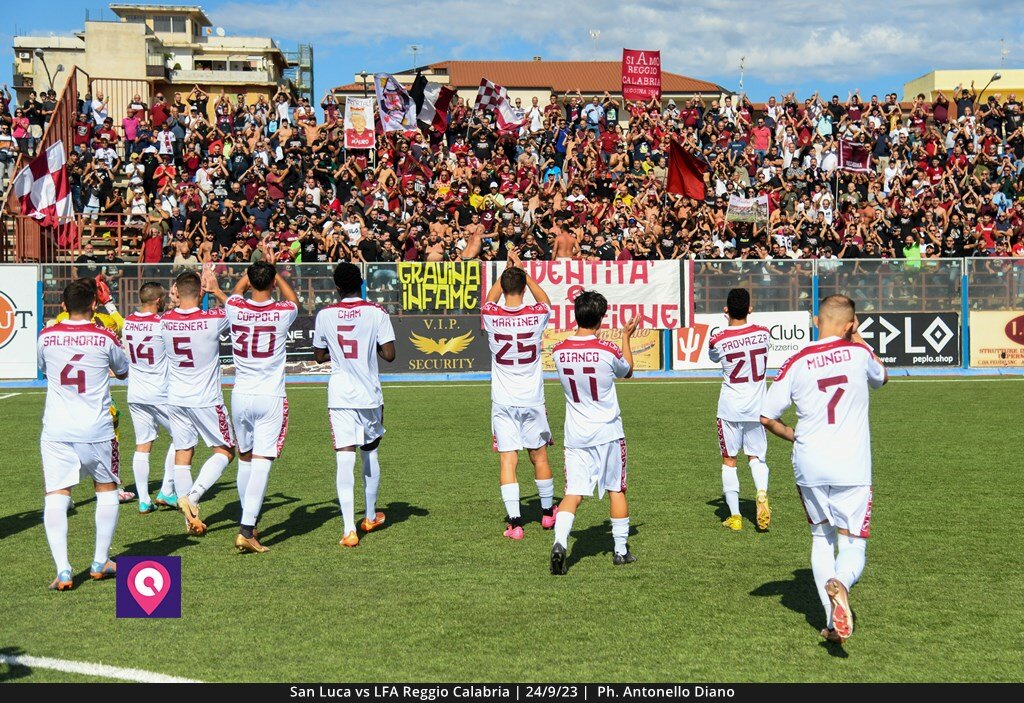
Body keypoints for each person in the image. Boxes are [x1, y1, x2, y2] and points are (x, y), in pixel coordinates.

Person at [760, 294, 888, 644]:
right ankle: (842, 583)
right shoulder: (860, 353)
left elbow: (766, 416)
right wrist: (857, 336)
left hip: (809, 461)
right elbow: (883, 377)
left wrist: (794, 435)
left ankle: (832, 623)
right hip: (852, 463)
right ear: (849, 324)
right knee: (853, 544)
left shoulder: (796, 361)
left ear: (818, 320)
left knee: (821, 537)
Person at [37, 280, 129, 590]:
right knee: (105, 489)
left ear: (63, 306)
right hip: (96, 428)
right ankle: (100, 560)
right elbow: (124, 369)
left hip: (57, 428)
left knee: (57, 494)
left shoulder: (46, 337)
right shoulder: (105, 336)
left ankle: (63, 569)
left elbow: (44, 369)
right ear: (93, 305)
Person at [204, 258, 298, 553]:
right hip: (269, 396)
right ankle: (246, 529)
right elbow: (293, 299)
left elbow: (234, 292)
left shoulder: (235, 307)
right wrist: (273, 270)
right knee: (262, 463)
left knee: (245, 458)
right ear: (272, 283)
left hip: (240, 394)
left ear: (249, 279)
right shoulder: (282, 311)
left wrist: (252, 273)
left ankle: (248, 522)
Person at [549, 290, 639, 574]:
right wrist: (625, 336)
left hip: (576, 433)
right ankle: (621, 551)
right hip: (608, 430)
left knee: (573, 493)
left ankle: (560, 542)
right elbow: (627, 371)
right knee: (616, 488)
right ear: (601, 319)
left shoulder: (559, 351)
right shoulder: (607, 349)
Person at [313, 262, 397, 548]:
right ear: (361, 282)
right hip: (368, 394)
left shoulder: (325, 314)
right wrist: (367, 346)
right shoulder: (376, 312)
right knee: (370, 452)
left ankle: (349, 529)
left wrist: (337, 353)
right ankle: (371, 515)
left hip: (340, 395)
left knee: (344, 458)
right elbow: (389, 354)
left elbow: (318, 355)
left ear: (336, 288)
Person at [481, 250, 556, 540]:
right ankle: (548, 514)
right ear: (524, 288)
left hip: (503, 399)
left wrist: (508, 271)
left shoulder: (492, 314)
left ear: (504, 286)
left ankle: (514, 523)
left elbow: (489, 299)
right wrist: (525, 271)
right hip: (532, 398)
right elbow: (545, 302)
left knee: (507, 460)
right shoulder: (535, 315)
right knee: (539, 456)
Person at [160, 270, 236, 535]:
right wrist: (217, 291)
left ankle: (188, 517)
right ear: (201, 292)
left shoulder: (166, 319)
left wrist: (173, 300)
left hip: (176, 397)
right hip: (205, 398)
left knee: (183, 452)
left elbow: (171, 309)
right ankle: (192, 498)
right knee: (225, 450)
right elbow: (238, 311)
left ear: (176, 292)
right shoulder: (213, 319)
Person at [707, 288, 773, 531]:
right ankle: (762, 492)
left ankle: (735, 517)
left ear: (726, 309)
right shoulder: (763, 334)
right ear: (749, 309)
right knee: (756, 457)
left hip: (730, 408)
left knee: (729, 460)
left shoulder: (718, 338)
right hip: (758, 407)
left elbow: (713, 356)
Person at [122, 282, 178, 513]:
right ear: (158, 301)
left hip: (136, 391)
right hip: (160, 390)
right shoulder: (162, 323)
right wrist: (177, 301)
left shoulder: (127, 323)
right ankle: (166, 489)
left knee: (143, 444)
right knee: (184, 438)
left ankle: (144, 500)